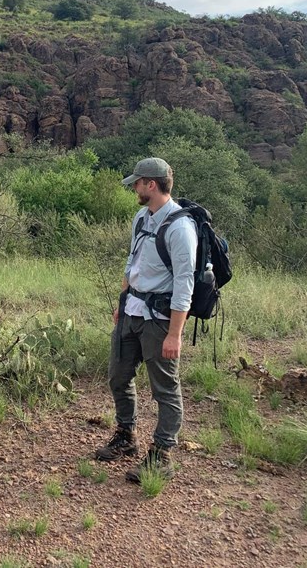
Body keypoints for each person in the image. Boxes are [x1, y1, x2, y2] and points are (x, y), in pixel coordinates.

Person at [95, 157, 197, 482]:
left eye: (138, 183)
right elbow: (132, 263)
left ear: (150, 185)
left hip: (159, 321)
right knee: (118, 377)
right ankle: (126, 437)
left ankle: (162, 455)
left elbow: (185, 284)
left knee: (165, 389)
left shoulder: (180, 227)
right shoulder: (142, 217)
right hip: (131, 312)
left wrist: (175, 334)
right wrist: (123, 303)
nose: (135, 188)